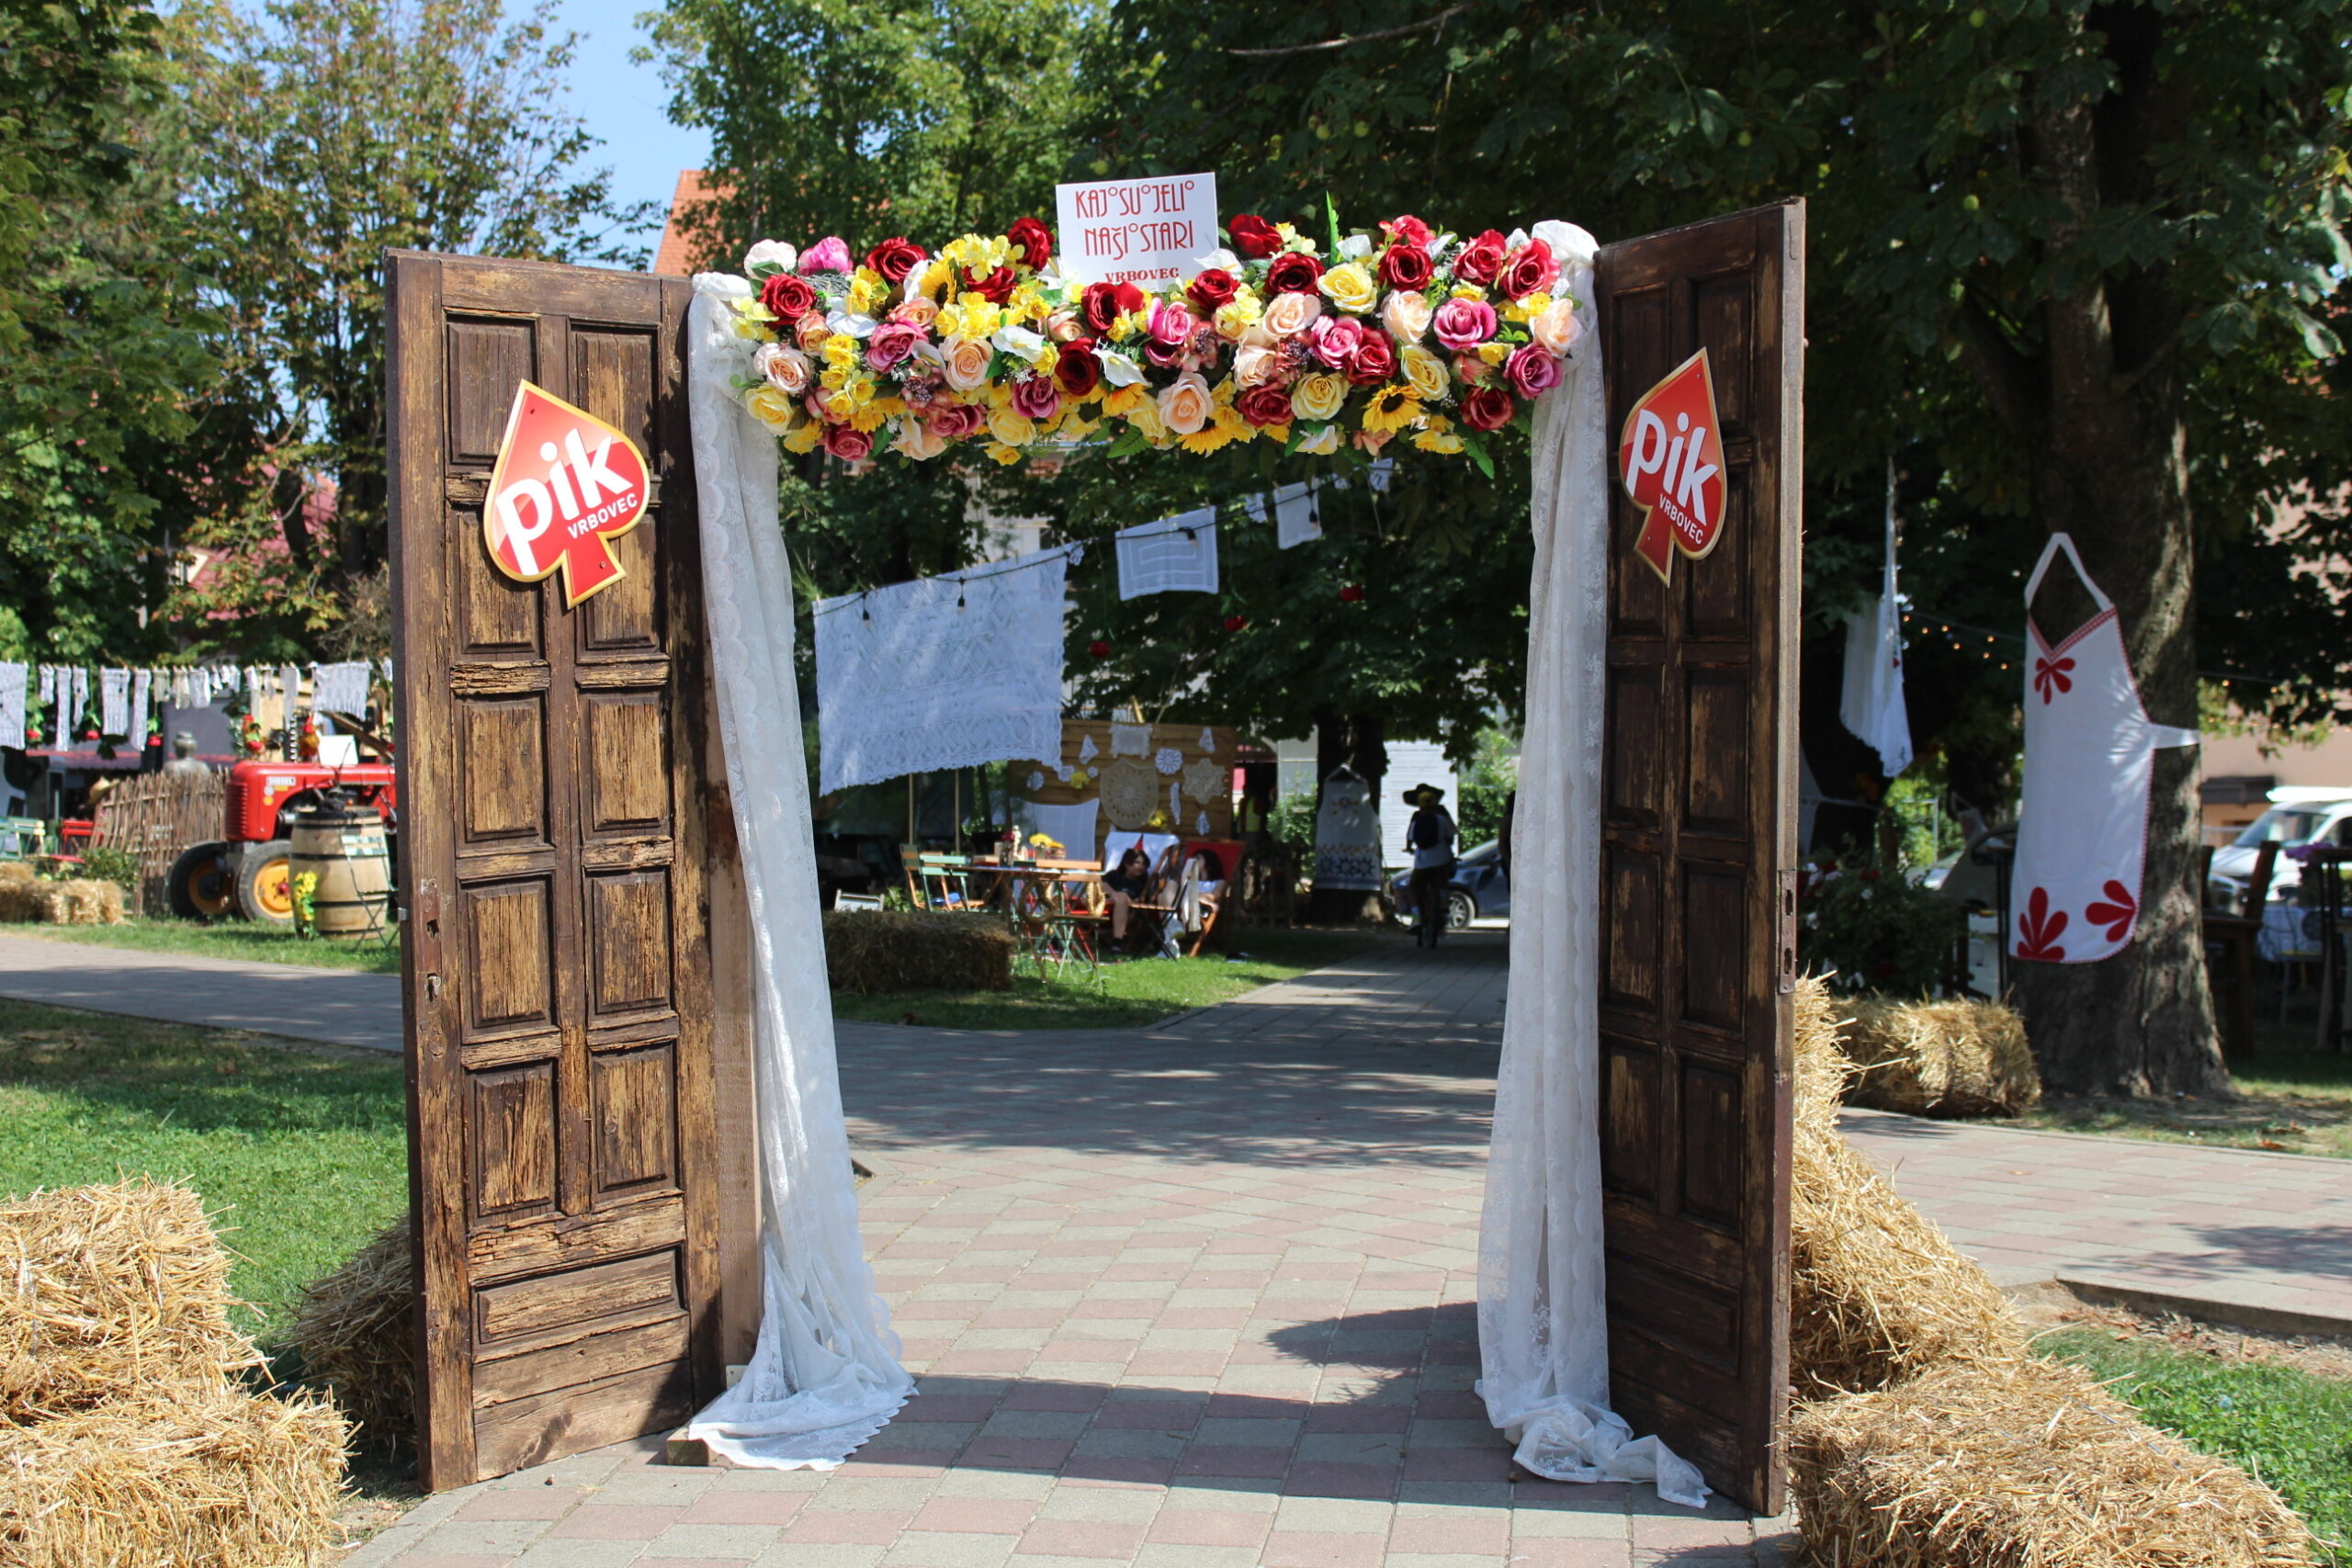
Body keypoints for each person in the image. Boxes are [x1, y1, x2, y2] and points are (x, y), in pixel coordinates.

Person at [1404, 784, 1458, 947]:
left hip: (1423, 862)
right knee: (1443, 882)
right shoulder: (1442, 818)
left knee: (1413, 887)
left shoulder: (1416, 818)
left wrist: (1408, 848)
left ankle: (1416, 918)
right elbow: (1450, 837)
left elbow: (1410, 838)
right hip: (1442, 859)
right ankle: (1442, 905)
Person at [1101, 844, 1153, 942]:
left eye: (1144, 864)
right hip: (1104, 911)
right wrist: (1115, 894)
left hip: (1128, 916)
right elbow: (1101, 885)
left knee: (1123, 897)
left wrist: (1125, 900)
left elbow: (1142, 903)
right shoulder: (1114, 875)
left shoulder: (1143, 884)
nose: (1141, 867)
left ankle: (1117, 941)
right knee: (1121, 896)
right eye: (1137, 862)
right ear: (1127, 864)